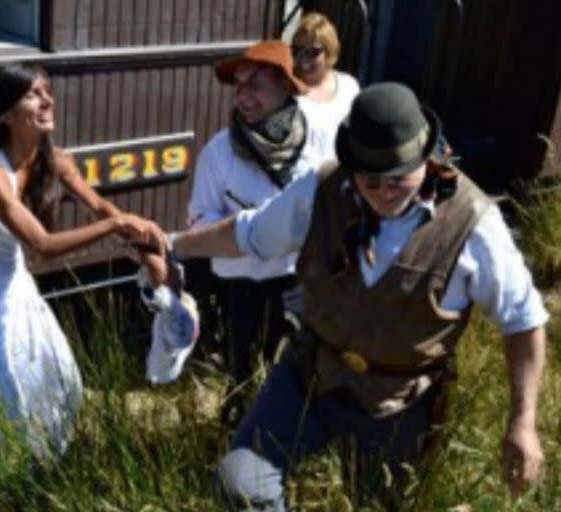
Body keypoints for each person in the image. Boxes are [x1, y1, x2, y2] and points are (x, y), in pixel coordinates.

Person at [144, 82, 548, 509]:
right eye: (370, 179)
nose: (384, 191)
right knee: (240, 482)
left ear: (426, 157)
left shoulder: (473, 223)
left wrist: (523, 422)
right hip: (310, 374)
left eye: (398, 177)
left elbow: (522, 319)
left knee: (380, 504)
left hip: (399, 399)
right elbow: (248, 233)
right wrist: (172, 244)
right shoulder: (323, 188)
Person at [0, 62, 162, 456]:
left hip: (12, 283)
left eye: (47, 91)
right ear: (6, 112)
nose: (47, 100)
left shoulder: (54, 158)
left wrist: (143, 243)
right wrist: (117, 226)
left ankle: (46, 466)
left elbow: (100, 206)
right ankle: (3, 478)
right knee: (0, 398)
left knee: (61, 380)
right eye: (33, 94)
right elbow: (42, 244)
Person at [186, 40, 331, 405]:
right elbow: (198, 222)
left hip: (298, 284)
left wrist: (317, 277)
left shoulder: (319, 145)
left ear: (285, 86)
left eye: (256, 85)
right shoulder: (220, 152)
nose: (244, 96)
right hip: (241, 288)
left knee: (302, 377)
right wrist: (251, 229)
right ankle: (237, 443)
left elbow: (334, 215)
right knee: (243, 380)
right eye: (239, 86)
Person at [291, 11, 360, 159]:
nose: (302, 59)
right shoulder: (286, 89)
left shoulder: (349, 87)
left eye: (312, 52)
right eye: (296, 50)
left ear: (329, 53)